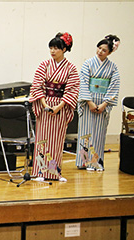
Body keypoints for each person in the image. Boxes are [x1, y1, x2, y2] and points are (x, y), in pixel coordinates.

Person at [30, 32, 80, 182]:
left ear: (64, 49)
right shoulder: (44, 65)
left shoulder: (71, 68)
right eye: (51, 48)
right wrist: (45, 105)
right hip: (45, 104)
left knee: (57, 141)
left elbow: (72, 89)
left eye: (56, 48)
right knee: (42, 139)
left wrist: (59, 106)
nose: (52, 51)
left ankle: (54, 172)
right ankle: (39, 172)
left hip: (61, 106)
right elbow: (37, 86)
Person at [75, 35, 121, 171]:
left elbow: (114, 86)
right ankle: (83, 161)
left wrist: (105, 104)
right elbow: (83, 83)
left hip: (103, 102)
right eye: (99, 48)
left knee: (99, 134)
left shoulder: (113, 67)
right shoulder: (88, 63)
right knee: (86, 132)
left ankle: (95, 162)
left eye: (104, 50)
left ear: (110, 53)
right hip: (88, 101)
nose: (100, 52)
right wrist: (89, 102)